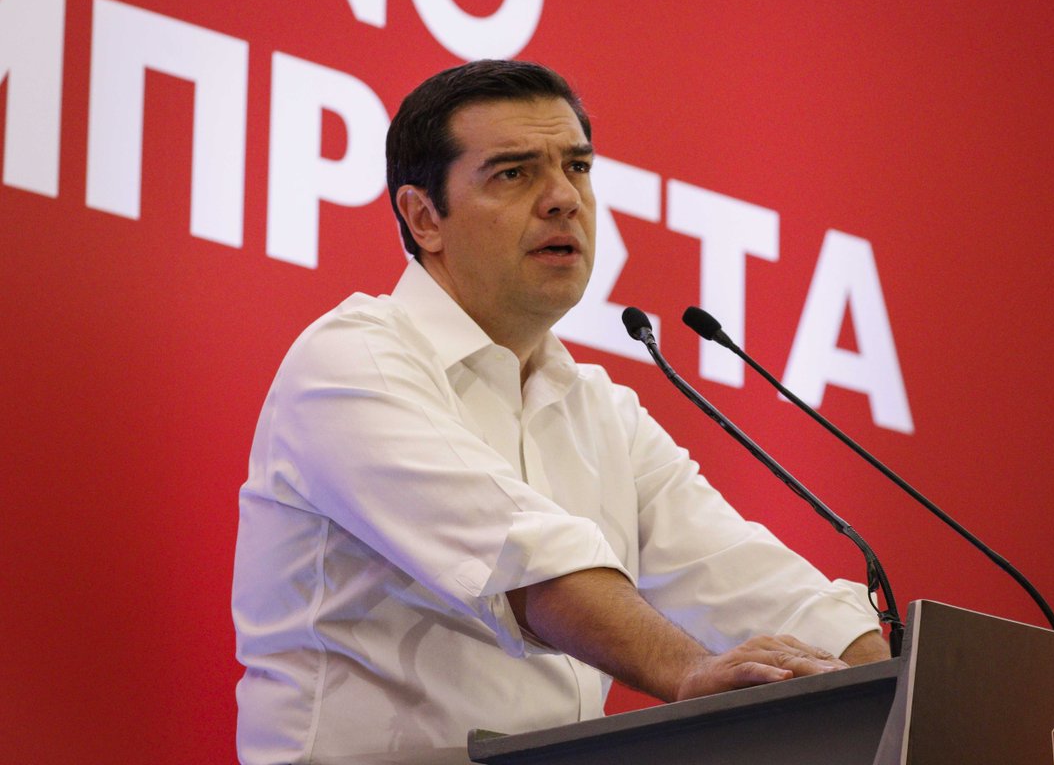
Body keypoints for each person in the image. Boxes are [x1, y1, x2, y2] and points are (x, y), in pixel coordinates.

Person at [232, 60, 889, 765]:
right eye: (514, 174)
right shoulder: (349, 360)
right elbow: (525, 561)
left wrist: (892, 685)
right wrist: (690, 672)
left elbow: (741, 574)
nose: (563, 199)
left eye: (577, 167)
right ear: (424, 218)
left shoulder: (601, 409)